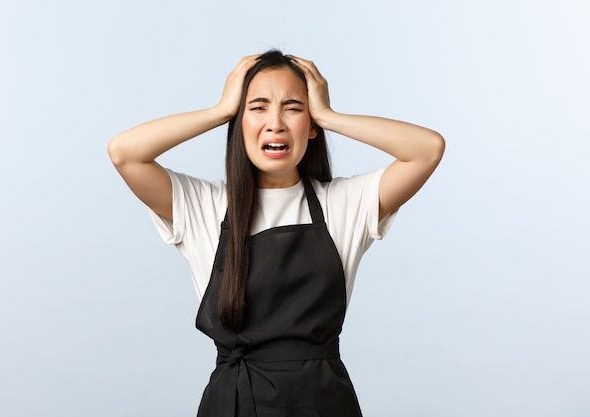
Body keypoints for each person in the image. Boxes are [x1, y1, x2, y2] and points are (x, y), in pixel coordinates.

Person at [108, 50, 445, 417]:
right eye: (258, 107)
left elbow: (427, 150)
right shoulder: (204, 205)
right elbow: (125, 153)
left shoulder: (343, 204)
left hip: (324, 404)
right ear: (239, 122)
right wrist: (221, 111)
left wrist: (330, 116)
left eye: (293, 108)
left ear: (311, 125)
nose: (275, 123)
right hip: (233, 404)